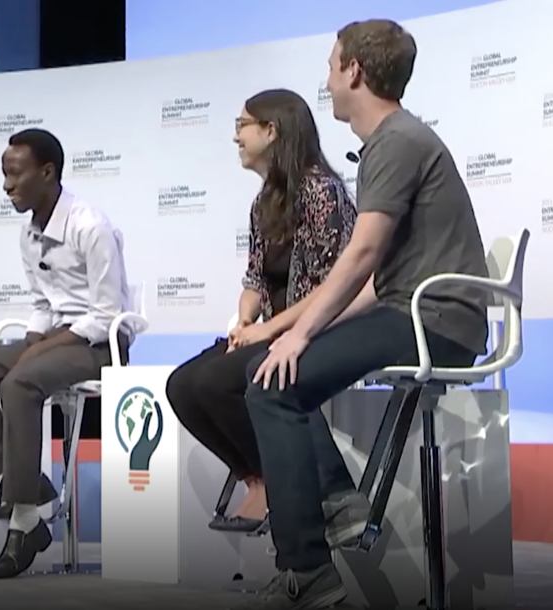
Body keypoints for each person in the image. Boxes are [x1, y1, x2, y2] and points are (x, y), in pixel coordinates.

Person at [235, 20, 490, 610]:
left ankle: (309, 567)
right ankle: (340, 508)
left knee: (270, 385)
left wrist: (297, 331)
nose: (326, 81)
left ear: (354, 71)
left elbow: (364, 254)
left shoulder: (397, 141)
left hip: (433, 323)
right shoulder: (393, 142)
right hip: (418, 312)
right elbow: (377, 281)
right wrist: (292, 332)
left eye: (330, 66)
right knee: (273, 373)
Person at [164, 89, 368, 537]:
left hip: (322, 328)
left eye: (242, 125)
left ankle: (331, 493)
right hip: (275, 328)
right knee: (183, 385)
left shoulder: (322, 192)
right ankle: (258, 476)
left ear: (271, 131)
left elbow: (336, 288)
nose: (235, 137)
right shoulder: (263, 202)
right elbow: (256, 277)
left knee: (232, 376)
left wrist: (269, 330)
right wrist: (244, 322)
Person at [0, 128, 135, 580]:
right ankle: (26, 482)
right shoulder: (29, 233)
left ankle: (24, 520)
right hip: (57, 339)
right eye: (4, 175)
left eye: (14, 174)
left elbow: (107, 313)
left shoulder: (90, 225)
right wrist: (33, 339)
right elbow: (44, 304)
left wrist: (41, 349)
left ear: (47, 173)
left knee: (19, 382)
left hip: (102, 343)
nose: (7, 185)